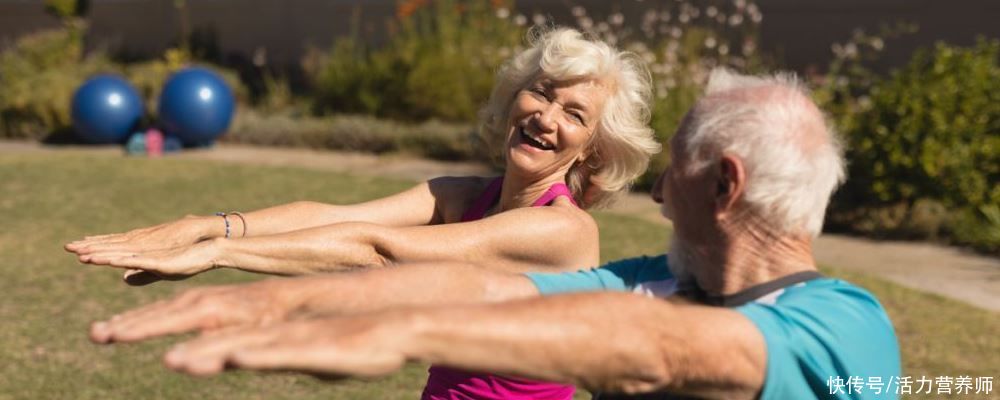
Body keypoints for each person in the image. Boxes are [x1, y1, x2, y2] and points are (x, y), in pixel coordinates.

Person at [88, 69, 902, 399]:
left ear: (725, 184)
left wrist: (398, 326)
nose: (657, 192)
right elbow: (486, 288)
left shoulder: (845, 327)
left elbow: (665, 347)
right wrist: (280, 295)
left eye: (675, 171)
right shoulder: (661, 276)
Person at [68, 28, 661, 400]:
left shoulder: (561, 230)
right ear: (514, 99)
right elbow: (336, 213)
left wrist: (218, 255)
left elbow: (378, 251)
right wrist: (208, 223)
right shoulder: (465, 197)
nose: (547, 117)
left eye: (575, 114)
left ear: (594, 150)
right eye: (542, 93)